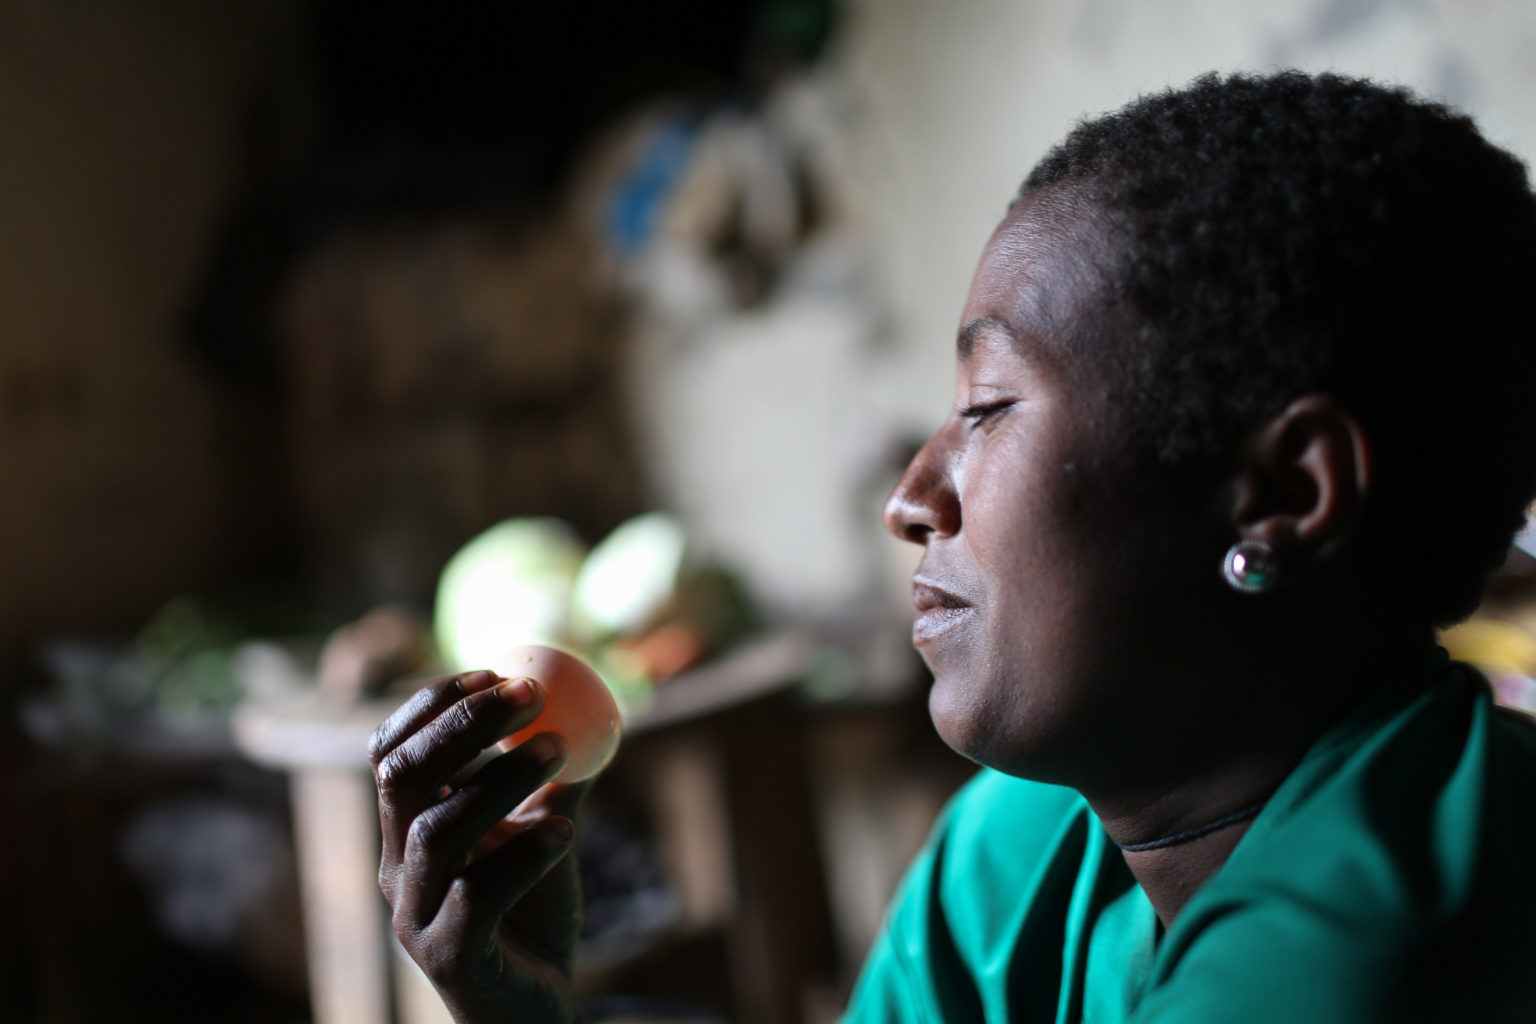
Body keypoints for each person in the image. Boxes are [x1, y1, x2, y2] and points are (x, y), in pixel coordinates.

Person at [369, 70, 1536, 1023]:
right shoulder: (1031, 838)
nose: (912, 498)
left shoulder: (1370, 956)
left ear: (1284, 494)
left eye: (987, 407)